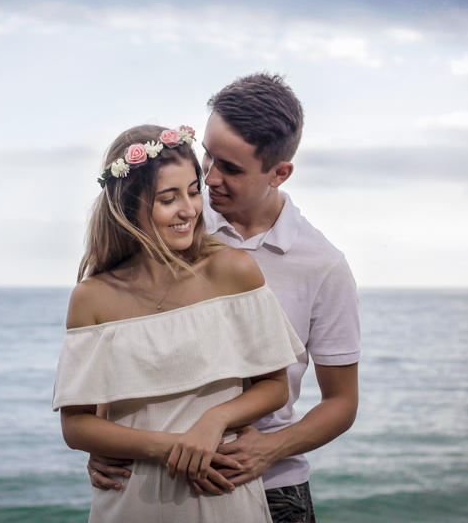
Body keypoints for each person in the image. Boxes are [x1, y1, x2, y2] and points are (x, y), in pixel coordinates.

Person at [88, 74, 361, 523]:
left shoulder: (322, 265)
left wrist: (270, 450)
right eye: (208, 156)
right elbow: (120, 332)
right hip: (156, 478)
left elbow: (341, 402)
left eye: (231, 168)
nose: (209, 178)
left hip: (270, 486)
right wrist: (106, 437)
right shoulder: (175, 220)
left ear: (279, 173)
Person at [52, 124, 307, 522]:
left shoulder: (234, 271)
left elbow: (275, 387)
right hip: (132, 496)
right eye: (168, 199)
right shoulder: (92, 298)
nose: (188, 209)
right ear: (127, 205)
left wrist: (215, 419)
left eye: (193, 191)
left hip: (222, 491)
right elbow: (77, 425)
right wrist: (172, 447)